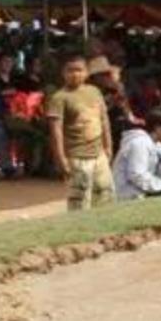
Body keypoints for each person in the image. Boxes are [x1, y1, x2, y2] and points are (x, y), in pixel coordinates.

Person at [46, 55, 114, 211]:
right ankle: (80, 233)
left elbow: (104, 120)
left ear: (87, 73)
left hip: (99, 155)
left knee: (105, 197)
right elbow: (55, 130)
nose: (75, 74)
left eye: (79, 70)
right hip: (77, 157)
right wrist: (61, 158)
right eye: (70, 70)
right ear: (63, 73)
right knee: (80, 202)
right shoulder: (59, 98)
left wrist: (109, 146)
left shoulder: (94, 91)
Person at [113, 107, 161, 200]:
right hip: (131, 197)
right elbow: (138, 176)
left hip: (144, 195)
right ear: (158, 127)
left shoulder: (155, 143)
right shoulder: (140, 144)